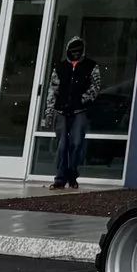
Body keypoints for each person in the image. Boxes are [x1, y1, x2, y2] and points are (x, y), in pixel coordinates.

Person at [50, 37, 98, 189]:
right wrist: (49, 112)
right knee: (62, 145)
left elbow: (95, 87)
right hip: (61, 110)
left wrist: (82, 100)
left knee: (77, 144)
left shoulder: (91, 66)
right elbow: (53, 91)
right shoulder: (60, 67)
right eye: (73, 51)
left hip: (80, 110)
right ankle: (60, 178)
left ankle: (72, 174)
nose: (76, 54)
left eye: (79, 51)